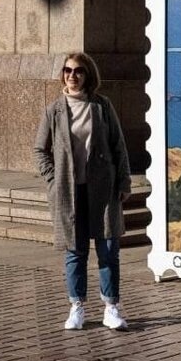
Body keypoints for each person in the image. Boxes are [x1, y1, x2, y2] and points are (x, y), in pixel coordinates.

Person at [34, 52, 132, 331]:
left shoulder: (102, 106)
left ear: (88, 75)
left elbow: (119, 146)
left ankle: (111, 307)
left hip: (103, 189)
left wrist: (124, 182)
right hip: (69, 192)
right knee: (75, 252)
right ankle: (76, 306)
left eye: (78, 71)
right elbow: (40, 150)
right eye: (67, 70)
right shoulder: (54, 110)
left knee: (108, 249)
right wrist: (53, 180)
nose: (72, 76)